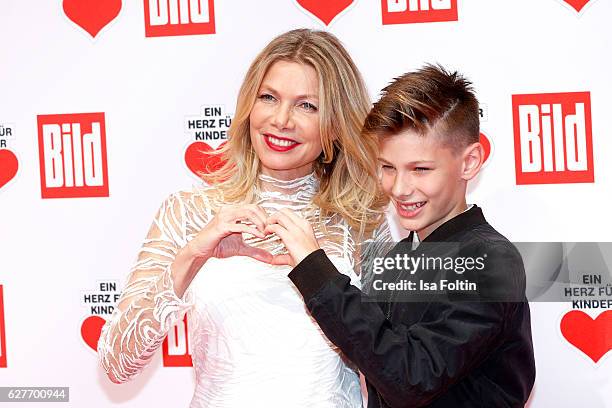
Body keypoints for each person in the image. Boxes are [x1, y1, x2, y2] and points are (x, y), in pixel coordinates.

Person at [97, 29, 390, 407]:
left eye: (307, 106)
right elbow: (117, 364)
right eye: (268, 98)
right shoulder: (190, 211)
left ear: (335, 123)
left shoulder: (362, 220)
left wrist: (319, 274)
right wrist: (192, 257)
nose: (281, 119)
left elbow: (393, 366)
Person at [267, 64, 536, 407]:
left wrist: (315, 270)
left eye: (420, 169)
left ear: (470, 162)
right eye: (388, 167)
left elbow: (410, 377)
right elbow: (369, 356)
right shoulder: (396, 259)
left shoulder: (489, 261)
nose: (400, 188)